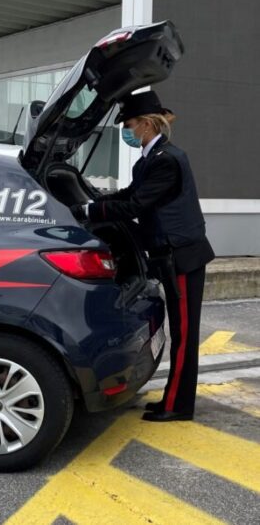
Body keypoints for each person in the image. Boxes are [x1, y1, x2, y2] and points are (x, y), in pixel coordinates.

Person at [72, 91, 215, 422]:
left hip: (183, 257)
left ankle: (178, 406)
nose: (127, 130)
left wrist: (92, 210)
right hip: (171, 254)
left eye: (130, 124)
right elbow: (130, 195)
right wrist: (95, 200)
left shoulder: (166, 160)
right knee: (180, 330)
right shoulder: (151, 159)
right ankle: (175, 399)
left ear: (148, 124)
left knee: (183, 333)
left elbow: (137, 206)